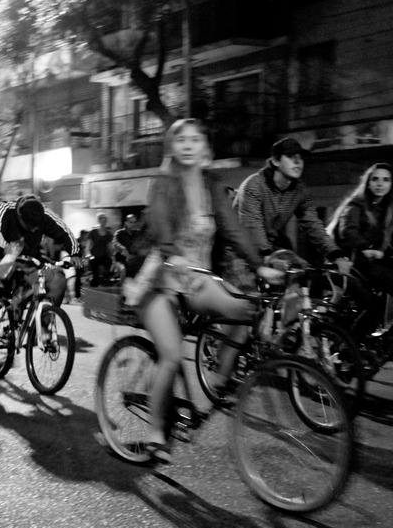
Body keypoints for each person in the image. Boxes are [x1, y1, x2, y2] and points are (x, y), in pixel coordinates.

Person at [128, 119, 280, 462]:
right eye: (181, 139)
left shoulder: (212, 185)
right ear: (172, 147)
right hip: (158, 279)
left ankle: (218, 383)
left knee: (247, 309)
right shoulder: (163, 183)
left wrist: (260, 266)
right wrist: (173, 254)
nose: (188, 145)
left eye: (195, 139)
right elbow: (160, 224)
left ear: (205, 149)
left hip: (196, 279)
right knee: (170, 355)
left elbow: (233, 229)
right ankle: (156, 433)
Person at [233, 137, 351, 277]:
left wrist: (336, 255)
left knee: (305, 275)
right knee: (246, 286)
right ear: (275, 161)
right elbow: (252, 225)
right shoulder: (255, 185)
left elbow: (313, 225)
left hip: (269, 249)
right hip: (238, 249)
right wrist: (267, 256)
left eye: (300, 157)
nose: (298, 161)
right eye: (290, 156)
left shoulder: (300, 191)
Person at [0, 195, 77, 350]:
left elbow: (64, 231)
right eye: (30, 226)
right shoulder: (4, 209)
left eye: (37, 226)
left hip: (29, 260)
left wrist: (75, 252)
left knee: (58, 279)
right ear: (20, 217)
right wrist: (8, 249)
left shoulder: (44, 214)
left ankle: (45, 327)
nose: (35, 230)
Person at [327, 162, 393, 336]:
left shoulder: (387, 210)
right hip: (352, 262)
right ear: (368, 183)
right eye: (375, 179)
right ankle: (351, 344)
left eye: (386, 180)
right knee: (375, 306)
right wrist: (366, 247)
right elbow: (349, 231)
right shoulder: (355, 205)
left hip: (373, 262)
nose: (380, 184)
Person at [86, 213, 115, 286]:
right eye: (101, 220)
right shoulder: (93, 232)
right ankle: (94, 283)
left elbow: (110, 246)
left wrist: (113, 256)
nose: (103, 222)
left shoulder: (109, 234)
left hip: (105, 255)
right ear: (98, 221)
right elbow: (88, 244)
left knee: (108, 267)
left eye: (104, 220)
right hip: (95, 255)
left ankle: (105, 282)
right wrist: (88, 253)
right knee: (94, 268)